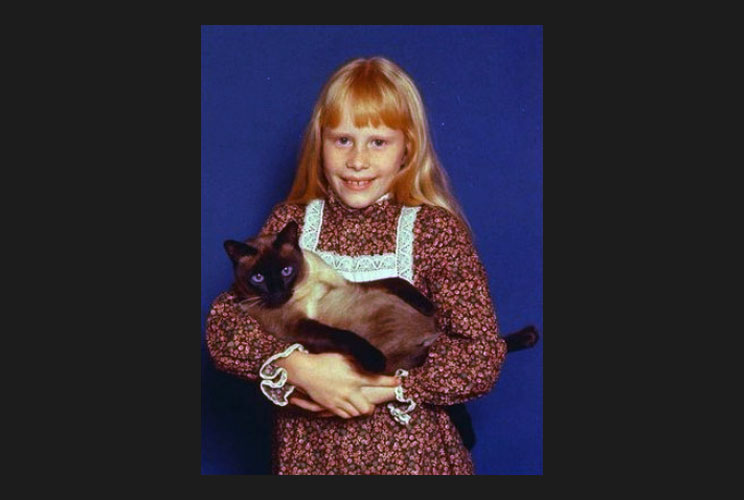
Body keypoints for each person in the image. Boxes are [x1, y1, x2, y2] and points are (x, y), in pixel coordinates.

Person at [205, 56, 507, 475]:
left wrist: (383, 386)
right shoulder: (290, 224)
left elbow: (481, 355)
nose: (358, 160)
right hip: (312, 459)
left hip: (413, 459)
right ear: (320, 142)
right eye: (343, 140)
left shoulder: (434, 230)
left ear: (408, 148)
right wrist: (298, 367)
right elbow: (224, 325)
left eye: (378, 142)